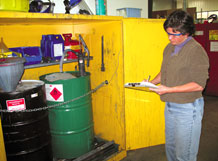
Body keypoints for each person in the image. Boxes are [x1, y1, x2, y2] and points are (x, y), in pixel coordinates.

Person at [148, 10, 209, 161]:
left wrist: (169, 89)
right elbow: (164, 71)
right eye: (168, 33)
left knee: (184, 154)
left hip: (187, 109)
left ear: (186, 32)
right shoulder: (169, 48)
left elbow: (199, 85)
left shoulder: (196, 51)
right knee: (171, 148)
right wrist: (152, 82)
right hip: (170, 106)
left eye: (174, 34)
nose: (169, 38)